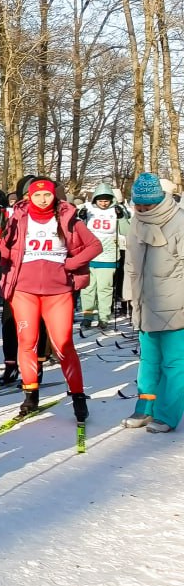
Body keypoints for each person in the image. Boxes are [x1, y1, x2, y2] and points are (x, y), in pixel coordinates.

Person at [0, 177, 102, 420]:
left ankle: (78, 396)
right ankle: (30, 396)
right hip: (24, 289)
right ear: (29, 197)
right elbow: (8, 250)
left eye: (47, 195)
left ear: (55, 196)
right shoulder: (18, 218)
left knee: (63, 345)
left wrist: (71, 263)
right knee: (27, 341)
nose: (43, 199)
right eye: (37, 195)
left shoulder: (67, 217)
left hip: (59, 291)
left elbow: (94, 246)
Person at [121, 174, 184, 432]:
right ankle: (145, 408)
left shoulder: (179, 221)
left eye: (149, 205)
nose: (143, 210)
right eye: (139, 205)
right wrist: (130, 295)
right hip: (145, 302)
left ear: (160, 200)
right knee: (148, 361)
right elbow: (131, 264)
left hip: (175, 304)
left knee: (174, 363)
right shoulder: (136, 222)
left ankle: (167, 414)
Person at [80, 183, 128, 330]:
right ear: (95, 199)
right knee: (87, 288)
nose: (103, 203)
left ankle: (103, 317)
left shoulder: (117, 210)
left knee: (104, 289)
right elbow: (78, 230)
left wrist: (121, 217)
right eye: (100, 200)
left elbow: (126, 230)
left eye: (106, 200)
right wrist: (81, 218)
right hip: (89, 255)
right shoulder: (88, 209)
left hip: (108, 255)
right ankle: (87, 316)